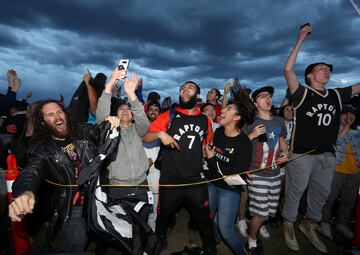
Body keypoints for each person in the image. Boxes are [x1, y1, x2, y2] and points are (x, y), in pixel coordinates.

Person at [281, 24, 360, 253]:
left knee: (322, 192)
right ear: (310, 75)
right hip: (302, 153)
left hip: (327, 152)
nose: (327, 71)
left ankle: (310, 224)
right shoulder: (302, 93)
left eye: (329, 69)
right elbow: (287, 70)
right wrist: (300, 39)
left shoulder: (336, 94)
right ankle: (288, 224)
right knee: (297, 190)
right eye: (322, 68)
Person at [8, 99, 120, 253]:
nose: (58, 117)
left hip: (99, 198)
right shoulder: (42, 150)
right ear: (42, 123)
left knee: (107, 238)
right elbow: (31, 172)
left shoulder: (80, 130)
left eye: (60, 112)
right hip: (74, 207)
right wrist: (25, 192)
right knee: (76, 245)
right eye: (50, 115)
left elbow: (97, 131)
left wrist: (108, 124)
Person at [143, 81, 217, 255]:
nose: (185, 90)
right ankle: (157, 245)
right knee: (163, 217)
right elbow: (145, 137)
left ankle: (211, 249)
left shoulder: (205, 120)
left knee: (204, 219)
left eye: (190, 88)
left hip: (195, 180)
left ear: (198, 95)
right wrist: (160, 134)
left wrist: (213, 157)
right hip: (171, 179)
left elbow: (207, 147)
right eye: (183, 88)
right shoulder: (168, 116)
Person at [96, 68, 151, 225]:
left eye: (128, 109)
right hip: (118, 188)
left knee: (142, 224)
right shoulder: (110, 130)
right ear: (116, 114)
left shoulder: (138, 130)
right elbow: (101, 116)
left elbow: (145, 123)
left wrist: (132, 96)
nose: (125, 110)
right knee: (121, 226)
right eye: (121, 108)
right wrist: (110, 85)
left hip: (142, 185)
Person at [204, 88, 255, 255]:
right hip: (212, 184)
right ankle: (216, 242)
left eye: (228, 109)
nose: (222, 110)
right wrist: (207, 152)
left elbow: (233, 174)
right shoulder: (218, 132)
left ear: (237, 117)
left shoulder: (244, 143)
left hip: (229, 190)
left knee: (226, 229)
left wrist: (211, 159)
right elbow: (212, 154)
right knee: (209, 217)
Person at [243, 86, 288, 254]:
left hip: (276, 173)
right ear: (255, 103)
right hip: (256, 173)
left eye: (268, 95)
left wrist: (285, 153)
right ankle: (251, 238)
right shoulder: (249, 122)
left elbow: (282, 141)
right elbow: (240, 147)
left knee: (269, 211)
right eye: (261, 96)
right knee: (261, 213)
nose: (267, 98)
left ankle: (257, 224)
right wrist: (251, 135)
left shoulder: (279, 121)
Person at [318, 105, 360, 240]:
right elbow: (337, 142)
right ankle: (324, 221)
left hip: (354, 171)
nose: (349, 116)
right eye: (345, 114)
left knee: (349, 200)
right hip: (336, 169)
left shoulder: (358, 130)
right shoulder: (332, 128)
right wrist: (347, 126)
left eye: (351, 114)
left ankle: (341, 224)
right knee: (330, 198)